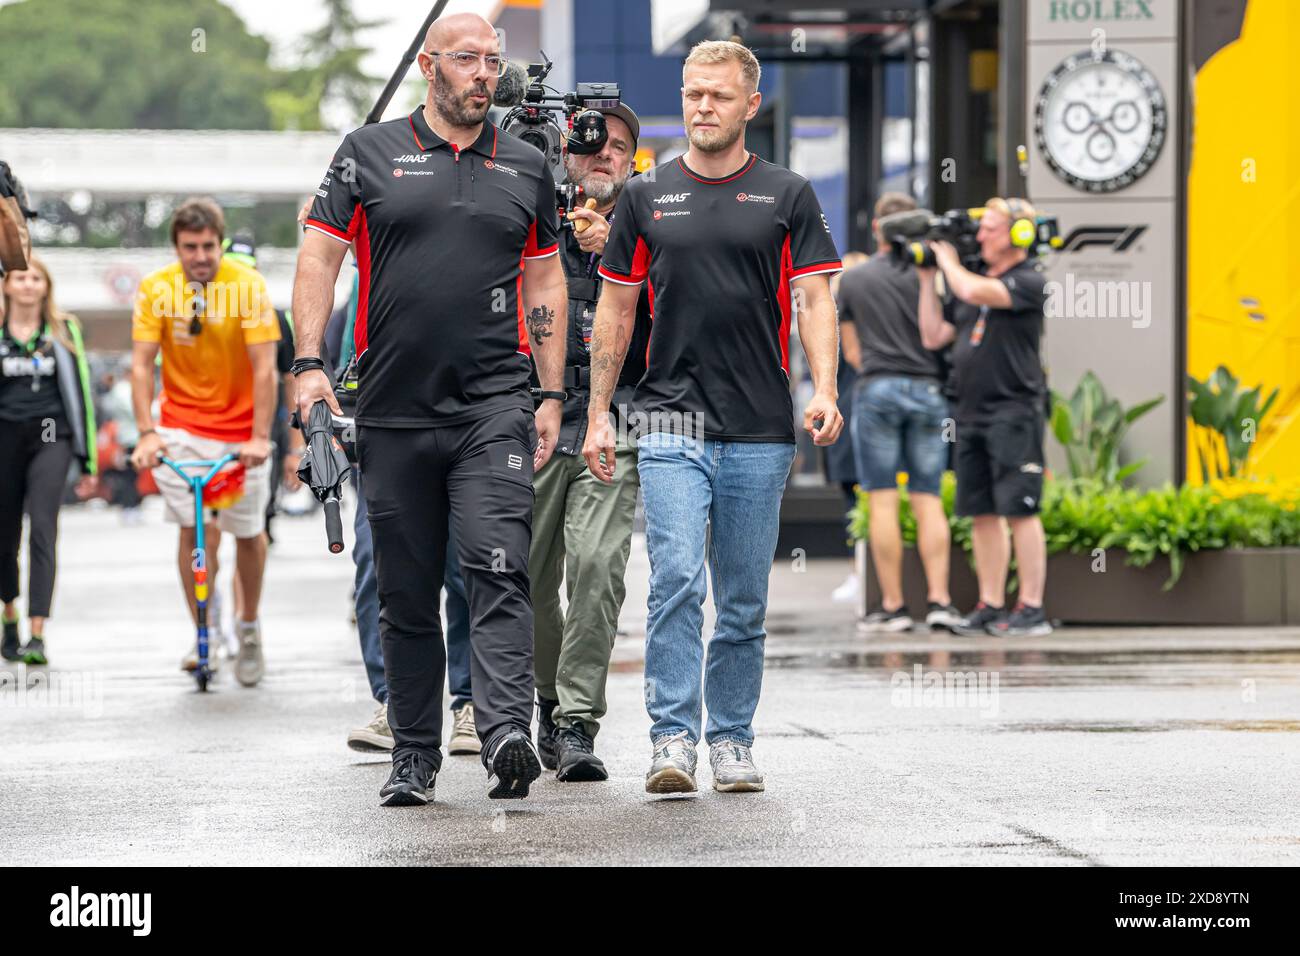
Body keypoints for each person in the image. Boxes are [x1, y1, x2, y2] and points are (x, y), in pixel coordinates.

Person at [292, 13, 568, 807]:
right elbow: (320, 255)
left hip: (493, 406)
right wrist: (310, 366)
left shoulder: (524, 164)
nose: (484, 73)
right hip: (392, 410)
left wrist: (549, 392)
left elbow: (545, 279)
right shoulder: (367, 152)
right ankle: (413, 755)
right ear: (428, 66)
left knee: (498, 565)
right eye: (468, 60)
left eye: (494, 60)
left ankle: (505, 729)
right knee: (407, 591)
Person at [586, 40, 843, 795]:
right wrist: (600, 413)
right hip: (670, 420)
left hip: (760, 425)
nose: (703, 107)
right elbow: (615, 306)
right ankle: (673, 739)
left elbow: (817, 297)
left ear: (749, 107)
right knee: (674, 580)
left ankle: (731, 739)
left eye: (719, 96)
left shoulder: (787, 193)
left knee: (742, 598)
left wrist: (823, 387)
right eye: (694, 94)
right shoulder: (644, 197)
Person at [530, 101, 652, 782]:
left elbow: (681, 320)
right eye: (593, 142)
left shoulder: (652, 226)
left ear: (633, 160)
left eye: (620, 147)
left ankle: (577, 721)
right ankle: (547, 700)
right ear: (567, 151)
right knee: (526, 576)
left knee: (600, 568)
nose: (605, 154)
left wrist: (625, 261)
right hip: (536, 420)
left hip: (615, 422)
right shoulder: (530, 214)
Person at [129, 198, 281, 684]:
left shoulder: (249, 287)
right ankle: (205, 629)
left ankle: (249, 625)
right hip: (182, 429)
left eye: (209, 246)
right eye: (190, 247)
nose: (201, 255)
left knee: (247, 534)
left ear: (220, 243)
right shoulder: (157, 289)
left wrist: (261, 436)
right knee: (195, 533)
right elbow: (139, 366)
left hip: (240, 435)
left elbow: (265, 369)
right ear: (176, 247)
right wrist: (147, 434)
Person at [917, 196, 1053, 637]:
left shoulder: (1028, 281)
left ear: (1019, 235)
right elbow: (933, 334)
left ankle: (1031, 607)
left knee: (1020, 509)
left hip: (1014, 410)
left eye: (989, 228)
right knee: (982, 512)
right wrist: (926, 279)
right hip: (970, 412)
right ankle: (991, 603)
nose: (979, 236)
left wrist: (949, 261)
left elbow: (974, 290)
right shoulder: (971, 283)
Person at [839, 193, 961, 632]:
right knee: (929, 497)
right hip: (930, 390)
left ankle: (892, 606)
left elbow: (851, 351)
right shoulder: (939, 276)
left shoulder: (853, 280)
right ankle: (940, 601)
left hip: (877, 388)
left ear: (878, 230)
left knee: (882, 498)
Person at [0, 257, 97, 664]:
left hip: (48, 432)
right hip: (5, 432)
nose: (27, 284)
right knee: (5, 536)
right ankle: (10, 616)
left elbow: (84, 398)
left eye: (35, 278)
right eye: (20, 277)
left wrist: (88, 460)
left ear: (46, 287)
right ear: (7, 286)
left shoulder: (63, 329)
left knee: (43, 526)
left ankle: (37, 633)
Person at [826, 248, 868, 605]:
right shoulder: (834, 325)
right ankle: (860, 571)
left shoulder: (852, 328)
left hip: (855, 408)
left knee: (857, 495)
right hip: (847, 407)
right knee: (856, 494)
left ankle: (861, 572)